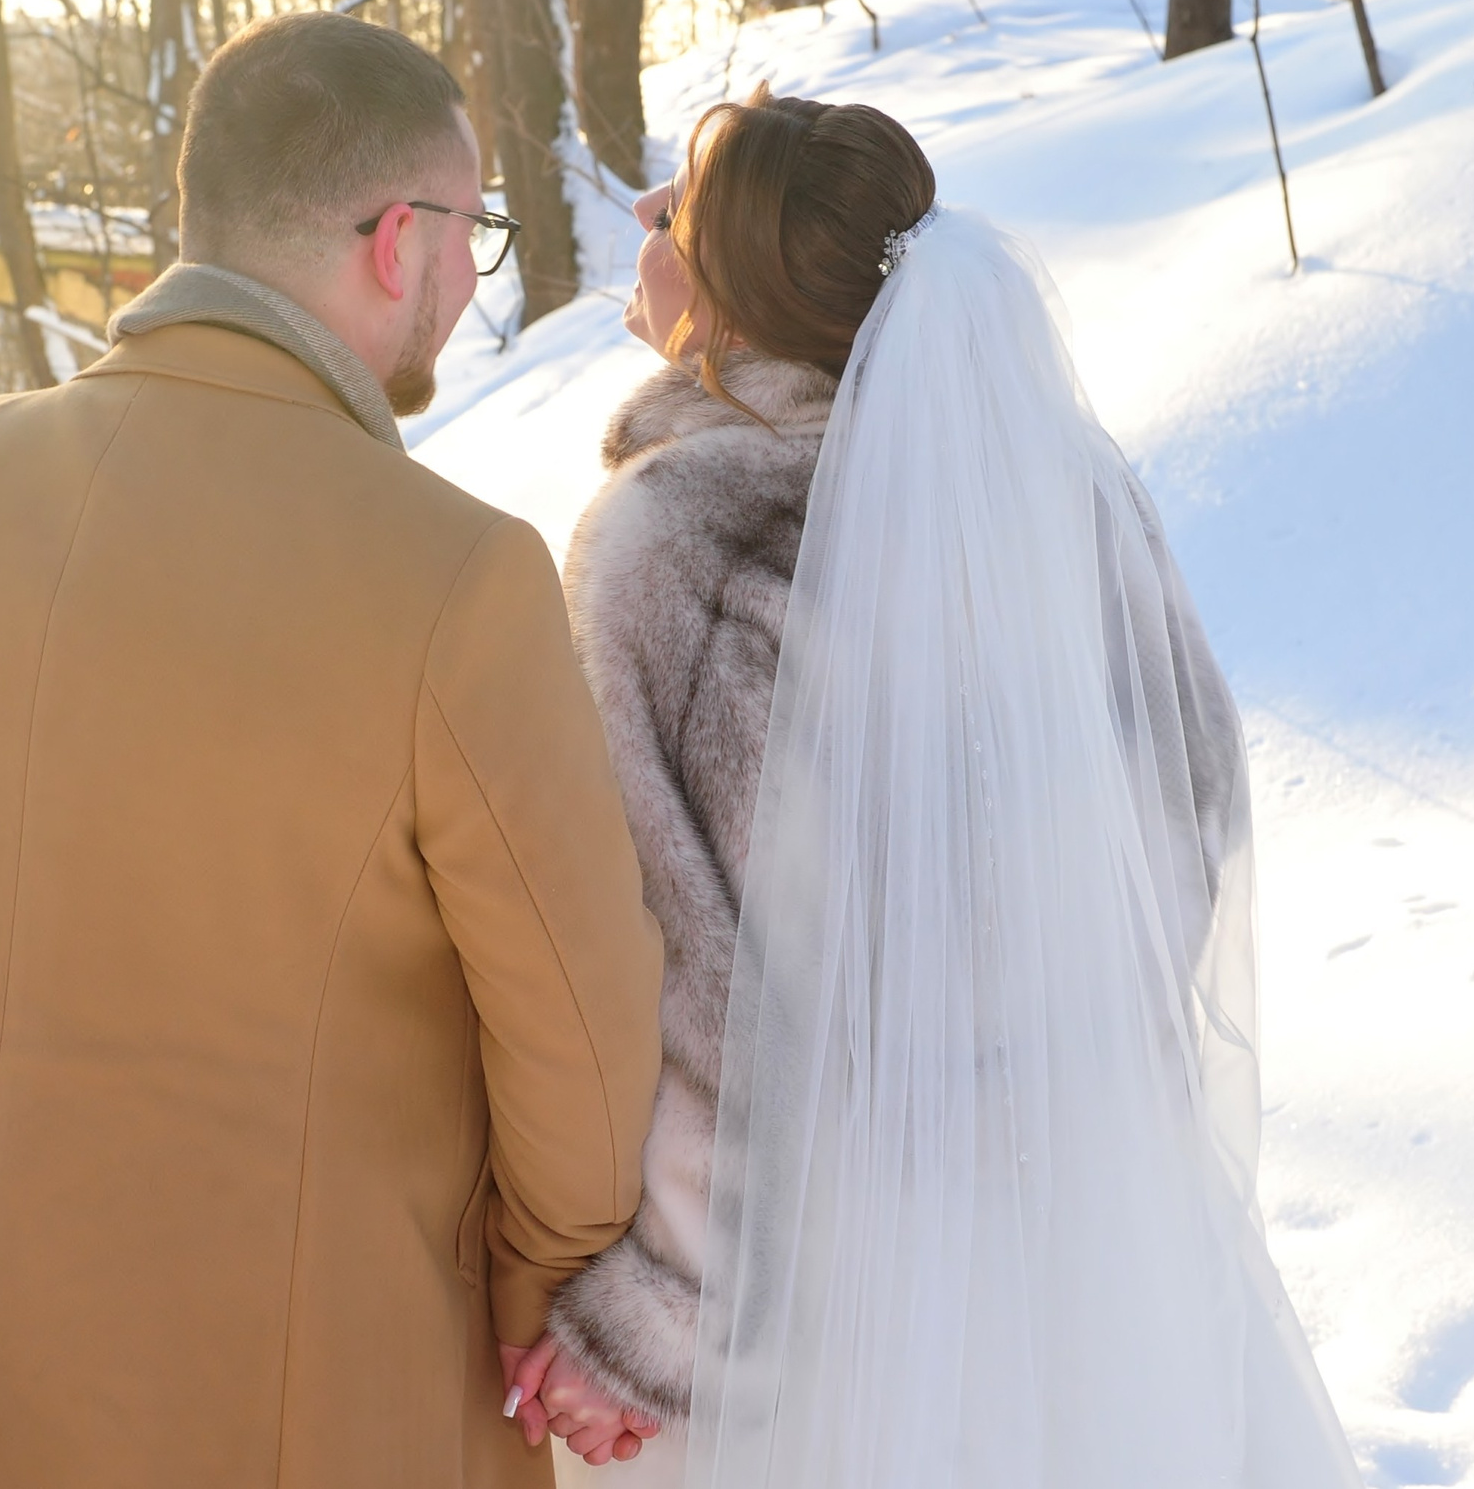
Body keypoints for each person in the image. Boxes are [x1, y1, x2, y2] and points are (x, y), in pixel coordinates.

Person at [0, 11, 663, 1489]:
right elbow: (578, 1045)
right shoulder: (453, 575)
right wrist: (545, 1286)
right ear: (400, 239)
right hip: (282, 1376)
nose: (473, 276)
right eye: (476, 231)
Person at [523, 90, 1363, 1489]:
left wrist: (656, 1330)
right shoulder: (1062, 491)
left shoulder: (671, 541)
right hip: (1081, 1251)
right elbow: (1194, 811)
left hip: (825, 1308)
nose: (644, 212)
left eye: (680, 203)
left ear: (730, 295)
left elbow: (690, 987)